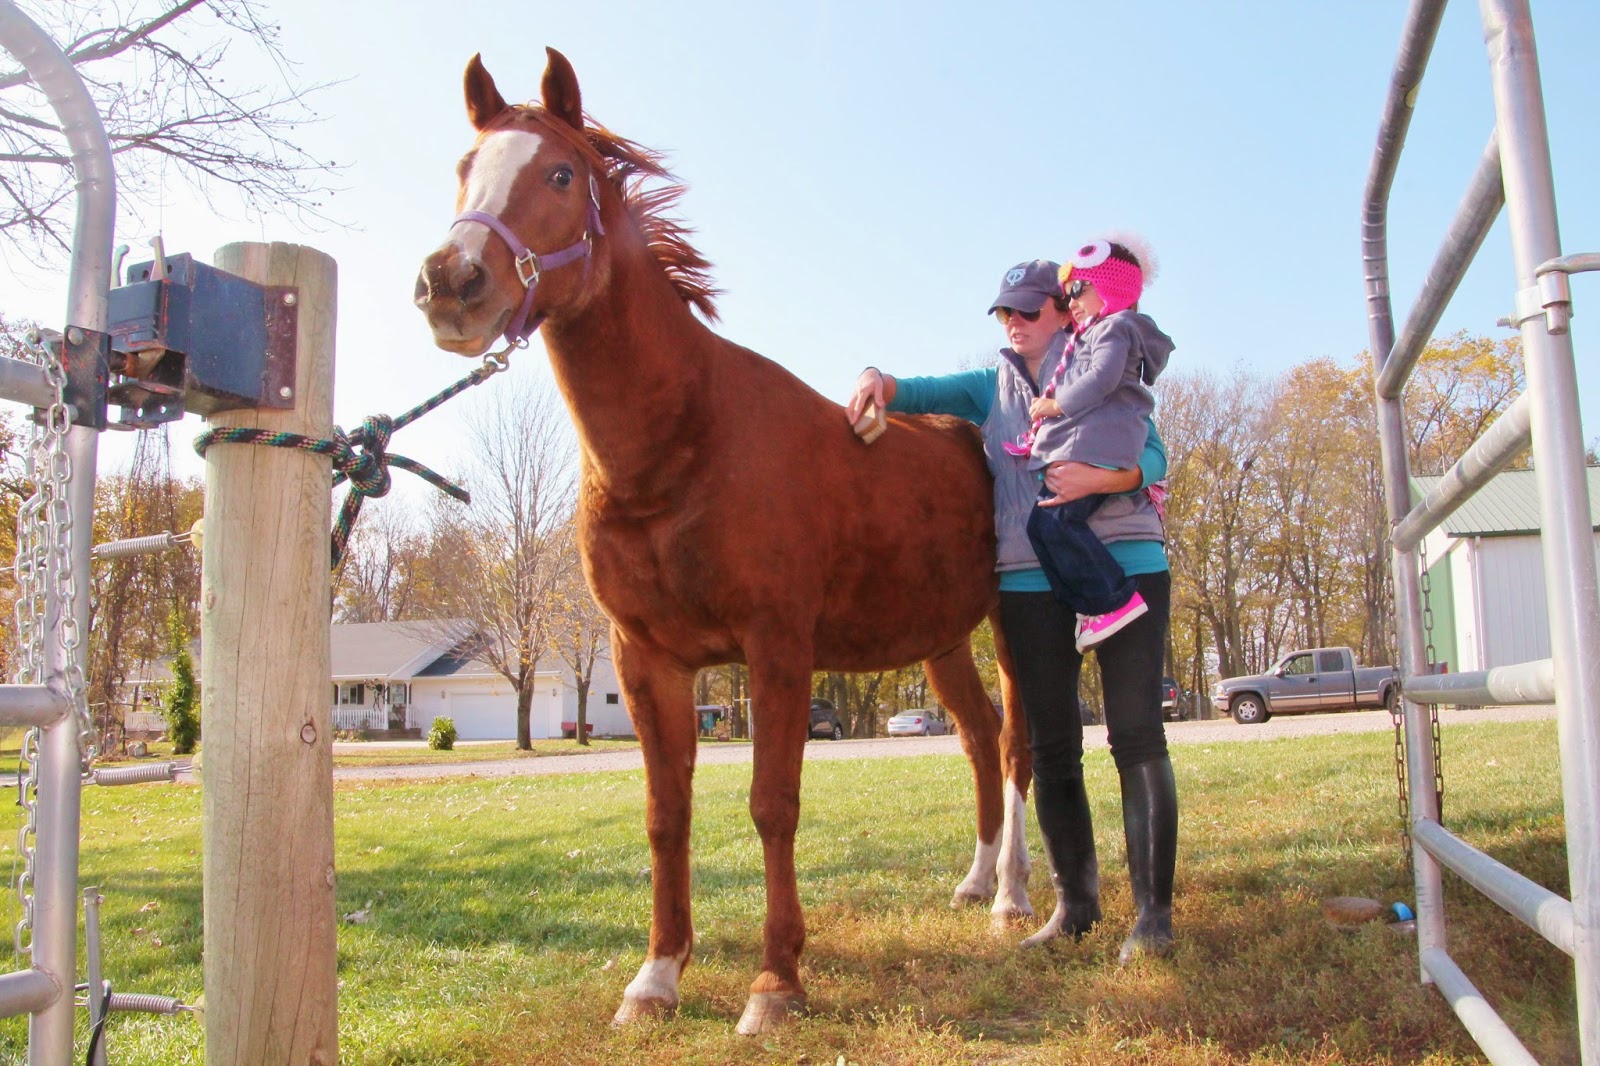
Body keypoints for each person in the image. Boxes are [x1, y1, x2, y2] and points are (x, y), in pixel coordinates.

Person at [844, 257, 1178, 963]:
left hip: (1125, 560)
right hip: (1028, 576)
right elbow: (918, 390)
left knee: (1137, 736)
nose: (1016, 324)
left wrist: (1106, 477)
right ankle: (1076, 908)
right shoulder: (988, 386)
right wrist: (877, 378)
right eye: (1005, 314)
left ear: (1063, 310)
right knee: (1051, 745)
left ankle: (1152, 918)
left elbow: (1153, 451)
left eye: (1029, 311)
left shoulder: (1104, 355)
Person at [1010, 237, 1173, 653]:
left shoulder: (1116, 329)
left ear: (1111, 288)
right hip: (1088, 446)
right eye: (1068, 294)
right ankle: (1089, 607)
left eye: (1079, 291)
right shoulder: (1097, 334)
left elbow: (1100, 378)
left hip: (1098, 449)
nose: (1073, 302)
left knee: (1059, 523)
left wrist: (1055, 404)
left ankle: (1112, 599)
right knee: (1041, 526)